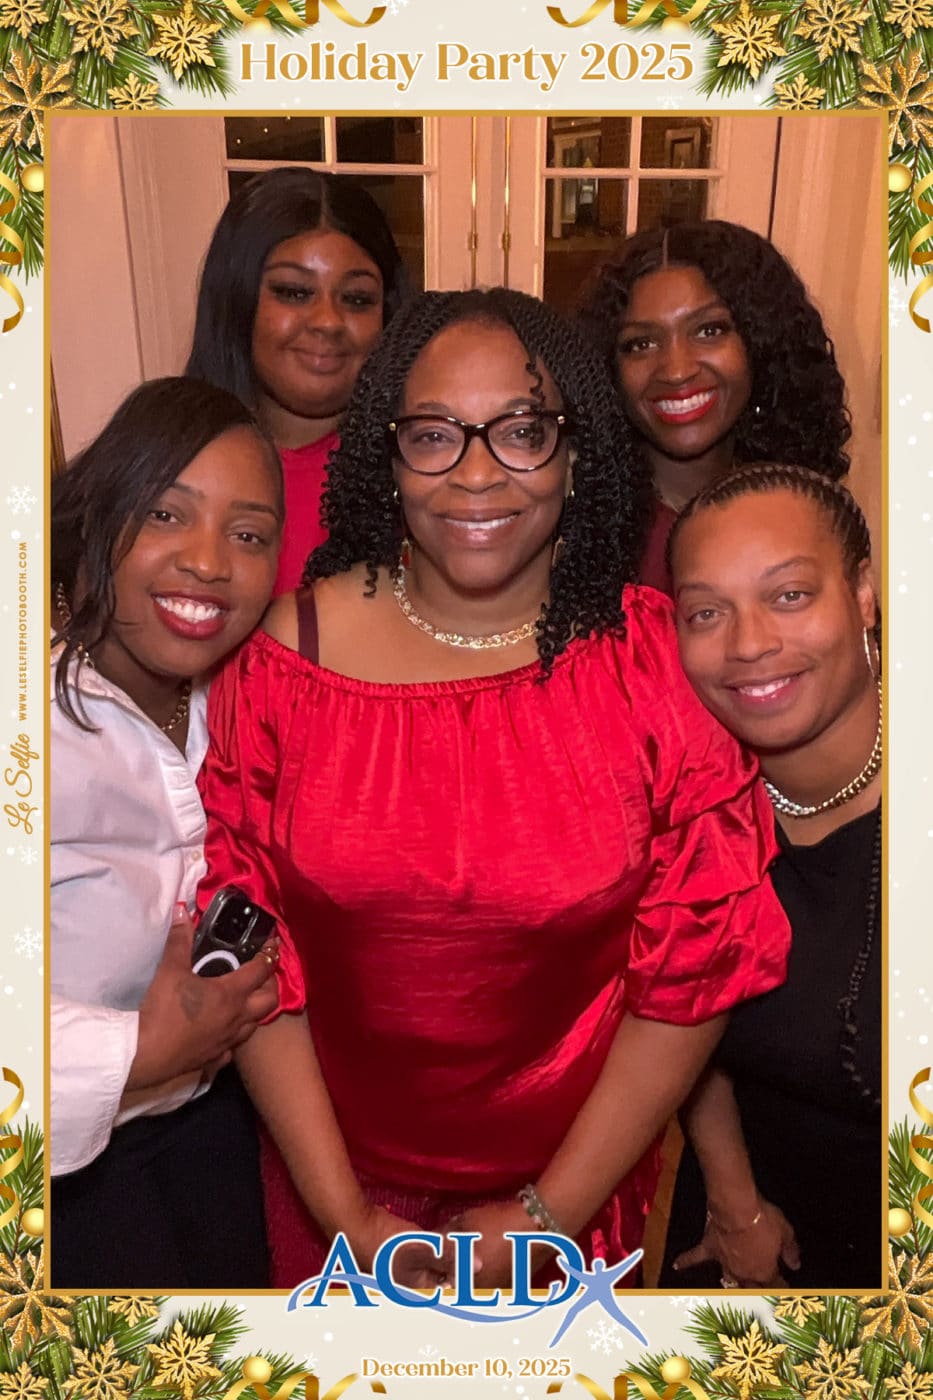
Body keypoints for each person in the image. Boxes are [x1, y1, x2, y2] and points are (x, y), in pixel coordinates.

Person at [197, 287, 791, 1289]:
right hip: (328, 1189)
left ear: (576, 451)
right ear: (387, 455)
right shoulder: (282, 661)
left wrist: (547, 1213)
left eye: (521, 431)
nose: (476, 475)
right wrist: (343, 1211)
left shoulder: (652, 664)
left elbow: (691, 970)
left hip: (573, 1201)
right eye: (434, 434)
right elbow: (250, 951)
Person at [50, 377, 285, 1287]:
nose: (209, 561)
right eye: (165, 514)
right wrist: (136, 1053)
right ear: (98, 520)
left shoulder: (244, 703)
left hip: (214, 1126)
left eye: (248, 534)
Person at [659, 462, 881, 1290]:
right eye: (705, 613)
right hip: (740, 1228)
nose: (747, 644)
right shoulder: (691, 804)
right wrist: (734, 1199)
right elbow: (676, 1014)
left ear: (863, 595)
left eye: (788, 595)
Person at [576, 221, 851, 593]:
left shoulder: (807, 510)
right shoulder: (581, 536)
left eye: (709, 331)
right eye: (641, 344)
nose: (676, 370)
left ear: (761, 345)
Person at [186, 168, 409, 596]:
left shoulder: (421, 472)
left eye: (357, 299)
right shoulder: (164, 461)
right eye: (293, 292)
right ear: (236, 299)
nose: (328, 321)